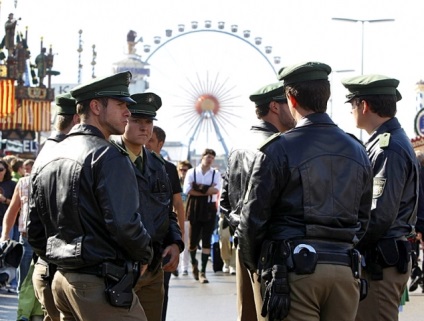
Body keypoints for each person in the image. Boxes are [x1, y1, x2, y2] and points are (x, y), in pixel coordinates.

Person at [237, 62, 373, 321]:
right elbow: (363, 217)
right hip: (344, 268)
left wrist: (258, 266)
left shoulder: (277, 149)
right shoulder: (358, 150)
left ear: (290, 99)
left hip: (294, 270)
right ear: (327, 95)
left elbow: (253, 219)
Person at [27, 71, 153, 321]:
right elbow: (124, 224)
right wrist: (145, 253)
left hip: (61, 280)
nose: (127, 112)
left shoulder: (49, 155)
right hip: (99, 285)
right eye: (120, 105)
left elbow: (35, 230)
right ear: (96, 106)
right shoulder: (108, 156)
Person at [342, 74, 419, 321]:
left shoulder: (388, 148)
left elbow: (379, 214)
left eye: (352, 104)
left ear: (363, 105)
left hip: (380, 261)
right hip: (381, 258)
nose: (352, 111)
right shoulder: (386, 142)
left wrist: (348, 242)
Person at [220, 81, 295, 321]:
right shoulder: (278, 147)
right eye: (288, 103)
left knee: (247, 314)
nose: (294, 109)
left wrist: (240, 229)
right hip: (270, 251)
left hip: (244, 245)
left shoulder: (237, 147)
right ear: (275, 106)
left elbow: (224, 202)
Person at [111, 93, 183, 321]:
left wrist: (175, 242)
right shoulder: (108, 160)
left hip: (153, 266)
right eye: (137, 121)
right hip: (121, 266)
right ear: (125, 121)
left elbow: (166, 210)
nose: (144, 128)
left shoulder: (158, 165)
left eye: (149, 122)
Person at [31, 93, 79, 321]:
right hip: (57, 266)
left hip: (48, 264)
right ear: (78, 121)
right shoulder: (60, 154)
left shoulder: (47, 150)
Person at [145, 125, 185, 321]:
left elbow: (177, 204)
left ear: (160, 144)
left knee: (161, 293)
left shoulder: (168, 169)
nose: (146, 143)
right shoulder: (128, 163)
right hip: (140, 243)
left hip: (162, 242)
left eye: (151, 140)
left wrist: (179, 240)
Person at [184, 148, 222, 284]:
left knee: (207, 240)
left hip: (209, 209)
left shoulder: (216, 173)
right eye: (208, 156)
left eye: (212, 157)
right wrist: (206, 189)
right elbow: (187, 190)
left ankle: (203, 271)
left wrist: (197, 187)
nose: (210, 159)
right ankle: (194, 263)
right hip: (195, 208)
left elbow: (216, 190)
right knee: (192, 241)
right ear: (202, 157)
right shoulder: (191, 172)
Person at [176, 160, 193, 276]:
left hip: (187, 217)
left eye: (185, 170)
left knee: (186, 243)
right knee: (175, 242)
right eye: (181, 169)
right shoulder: (175, 182)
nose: (183, 172)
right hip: (175, 217)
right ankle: (174, 266)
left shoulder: (191, 184)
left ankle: (184, 267)